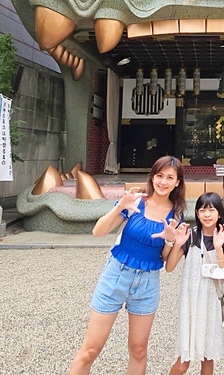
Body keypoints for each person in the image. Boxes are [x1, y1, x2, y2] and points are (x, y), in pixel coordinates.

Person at [70, 156, 188, 375]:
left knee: (139, 349)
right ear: (152, 178)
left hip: (147, 283)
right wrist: (120, 207)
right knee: (90, 349)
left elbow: (164, 260)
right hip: (116, 275)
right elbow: (98, 232)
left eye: (169, 177)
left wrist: (171, 239)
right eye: (159, 176)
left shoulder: (177, 215)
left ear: (177, 182)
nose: (163, 182)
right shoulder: (135, 203)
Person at [165, 192, 224, 375]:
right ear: (197, 213)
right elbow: (169, 267)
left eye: (212, 210)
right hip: (190, 301)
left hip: (211, 301)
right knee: (183, 360)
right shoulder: (190, 236)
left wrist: (219, 247)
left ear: (219, 213)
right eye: (202, 210)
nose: (207, 214)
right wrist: (177, 244)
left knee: (207, 356)